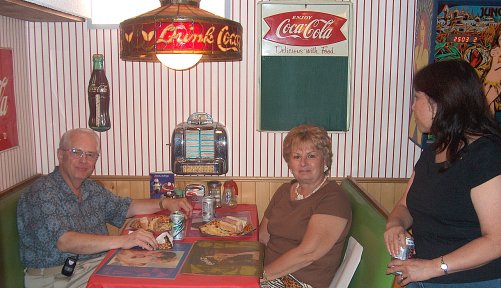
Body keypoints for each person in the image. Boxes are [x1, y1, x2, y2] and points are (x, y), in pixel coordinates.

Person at [17, 128, 193, 288]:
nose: (83, 160)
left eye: (90, 155)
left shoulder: (89, 188)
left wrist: (165, 203)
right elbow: (64, 241)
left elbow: (125, 207)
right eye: (76, 152)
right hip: (59, 276)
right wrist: (123, 241)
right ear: (60, 155)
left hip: (95, 264)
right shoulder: (41, 192)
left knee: (169, 268)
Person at [384, 60, 501, 287]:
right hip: (426, 275)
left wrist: (433, 267)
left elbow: (496, 240)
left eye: (417, 98)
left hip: (472, 280)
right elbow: (405, 206)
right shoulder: (433, 151)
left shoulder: (486, 155)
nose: (412, 106)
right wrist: (395, 226)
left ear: (440, 103)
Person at [258, 124, 352, 288]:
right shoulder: (284, 191)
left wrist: (260, 276)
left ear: (324, 159)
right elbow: (262, 237)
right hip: (269, 276)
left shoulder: (333, 199)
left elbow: (308, 253)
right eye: (296, 156)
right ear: (289, 163)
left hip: (300, 282)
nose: (303, 163)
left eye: (311, 156)